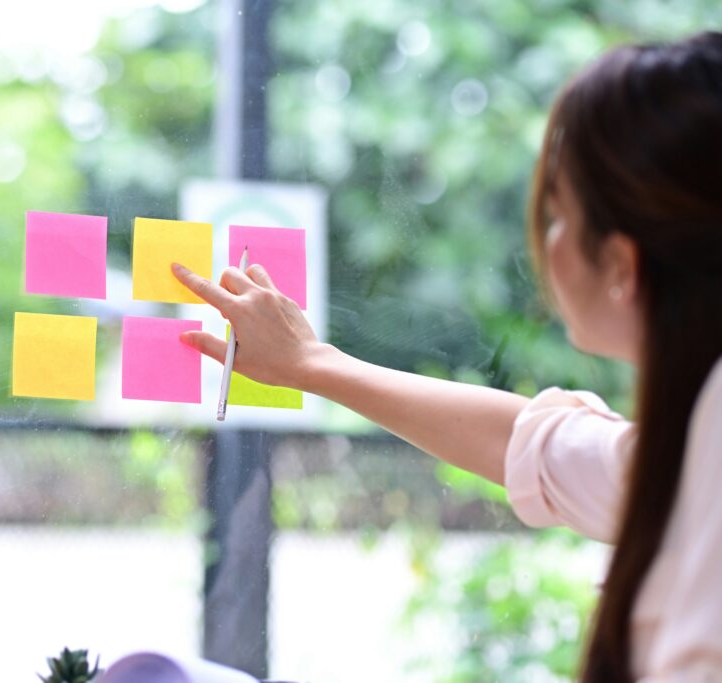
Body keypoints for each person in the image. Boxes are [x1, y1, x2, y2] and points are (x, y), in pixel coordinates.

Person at [171, 31, 722, 682]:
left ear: (622, 263)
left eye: (558, 215)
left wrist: (312, 364)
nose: (547, 245)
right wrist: (311, 362)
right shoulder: (690, 443)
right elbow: (544, 448)